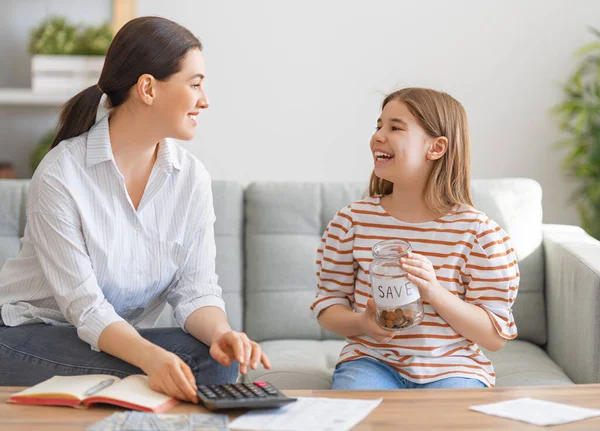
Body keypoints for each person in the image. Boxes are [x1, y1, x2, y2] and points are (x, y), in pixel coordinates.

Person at [0, 16, 270, 403]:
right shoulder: (62, 173)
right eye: (194, 84)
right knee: (174, 369)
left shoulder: (190, 178)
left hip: (112, 338)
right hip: (29, 337)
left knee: (219, 361)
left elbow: (195, 291)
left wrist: (222, 334)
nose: (205, 100)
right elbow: (87, 309)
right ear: (147, 88)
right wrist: (151, 358)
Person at [311, 88, 518, 390]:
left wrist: (435, 292)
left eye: (395, 127)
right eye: (378, 126)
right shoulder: (351, 222)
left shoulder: (479, 234)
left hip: (454, 368)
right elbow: (328, 306)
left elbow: (493, 337)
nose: (378, 136)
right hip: (371, 361)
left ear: (436, 148)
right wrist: (362, 323)